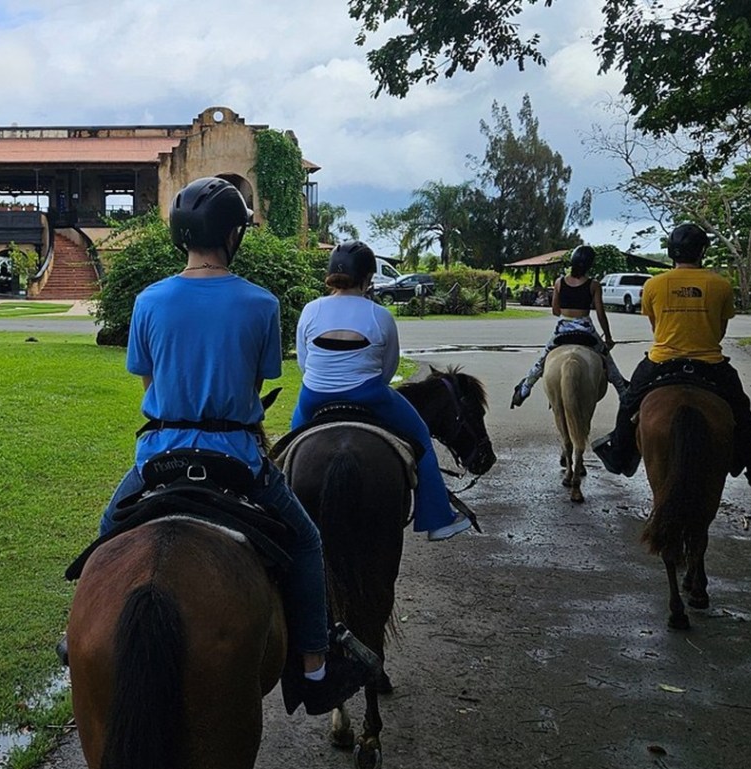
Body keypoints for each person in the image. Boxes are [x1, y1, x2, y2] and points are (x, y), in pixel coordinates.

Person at [98, 176, 368, 715]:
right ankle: (314, 664)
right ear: (231, 235)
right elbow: (253, 384)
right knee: (308, 541)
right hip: (238, 458)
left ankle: (74, 634)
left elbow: (148, 387)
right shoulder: (260, 303)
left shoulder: (149, 300)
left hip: (159, 457)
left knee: (108, 532)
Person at [290, 240, 472, 541]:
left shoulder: (311, 310)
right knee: (421, 440)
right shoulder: (380, 315)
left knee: (287, 449)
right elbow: (388, 368)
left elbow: (304, 363)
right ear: (368, 278)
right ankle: (439, 518)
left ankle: (285, 517)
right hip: (369, 394)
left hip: (315, 396)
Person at [592, 223, 751, 484]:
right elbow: (720, 330)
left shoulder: (654, 285)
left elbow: (656, 326)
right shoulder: (720, 285)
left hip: (661, 362)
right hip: (710, 364)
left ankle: (619, 452)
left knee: (629, 401)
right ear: (701, 251)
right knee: (741, 406)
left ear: (671, 251)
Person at [510, 245, 629, 409]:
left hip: (562, 328)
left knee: (542, 360)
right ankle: (623, 393)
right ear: (589, 265)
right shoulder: (594, 285)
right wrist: (608, 337)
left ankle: (524, 389)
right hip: (586, 328)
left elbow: (555, 311)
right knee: (608, 362)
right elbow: (601, 314)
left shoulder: (559, 282)